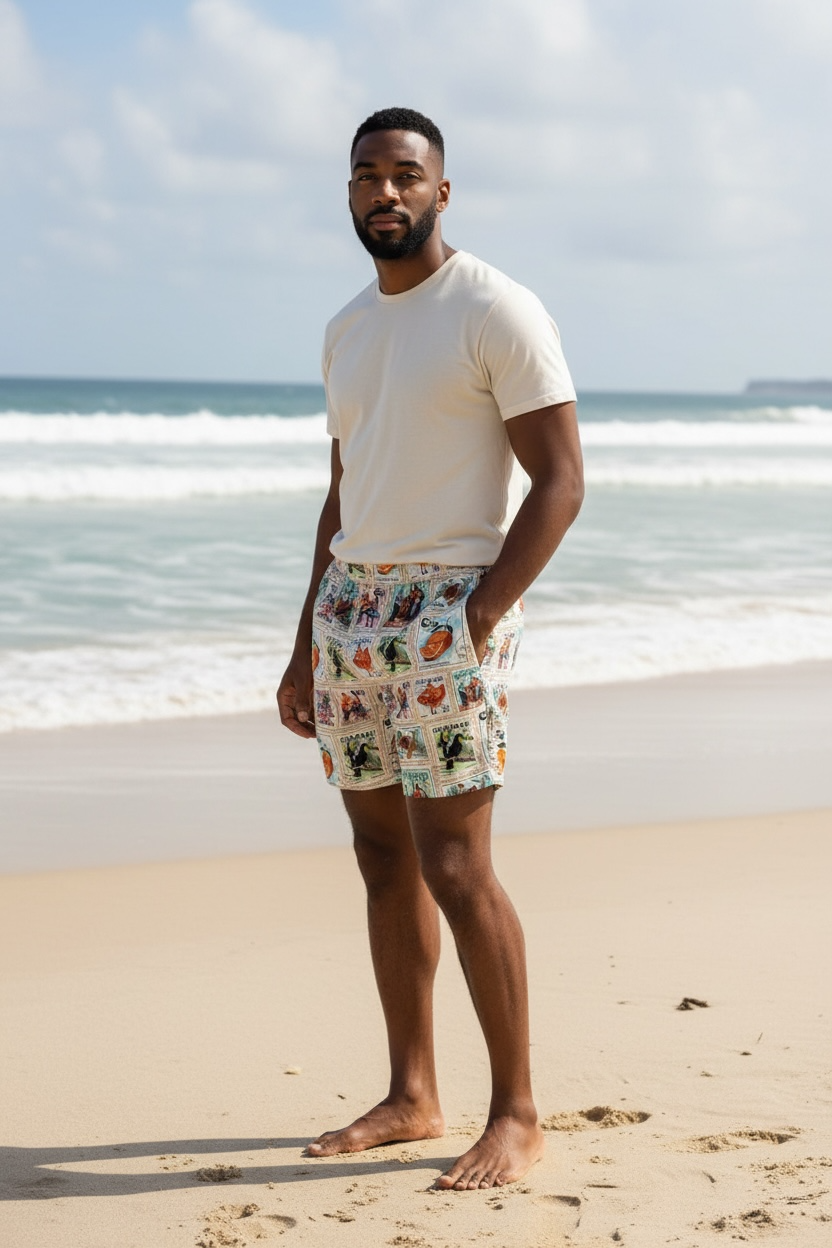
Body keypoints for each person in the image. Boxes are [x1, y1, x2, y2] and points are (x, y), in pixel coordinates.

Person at [276, 106, 583, 1191]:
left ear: (440, 192)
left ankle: (517, 1112)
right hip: (352, 614)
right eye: (367, 175)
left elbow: (560, 481)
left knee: (455, 861)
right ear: (349, 193)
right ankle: (412, 1093)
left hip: (450, 607)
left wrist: (481, 615)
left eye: (405, 175)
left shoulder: (495, 307)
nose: (385, 192)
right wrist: (305, 643)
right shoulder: (347, 328)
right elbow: (343, 491)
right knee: (381, 857)